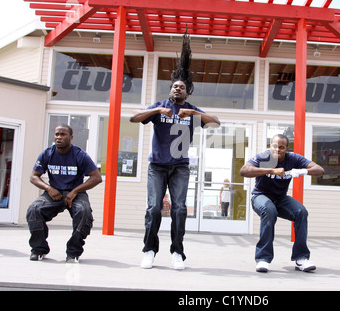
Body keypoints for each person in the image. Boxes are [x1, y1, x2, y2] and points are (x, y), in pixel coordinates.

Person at [130, 30, 220, 270]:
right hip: (157, 166)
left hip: (180, 166)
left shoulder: (191, 110)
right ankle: (149, 250)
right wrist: (156, 112)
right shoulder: (160, 107)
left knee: (179, 208)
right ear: (170, 90)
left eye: (181, 87)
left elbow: (216, 122)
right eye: (174, 86)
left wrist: (196, 114)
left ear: (187, 92)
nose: (177, 89)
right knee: (154, 208)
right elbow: (133, 118)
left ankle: (177, 252)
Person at [239, 134, 325, 273]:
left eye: (281, 147)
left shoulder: (293, 158)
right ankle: (263, 259)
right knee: (269, 210)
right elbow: (244, 171)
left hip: (280, 198)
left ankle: (301, 258)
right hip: (260, 196)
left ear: (286, 149)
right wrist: (271, 170)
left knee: (301, 212)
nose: (277, 150)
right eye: (274, 146)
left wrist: (302, 171)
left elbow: (319, 170)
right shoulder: (263, 157)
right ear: (270, 146)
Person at [26, 124, 102, 263]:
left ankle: (73, 252)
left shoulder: (80, 155)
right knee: (33, 210)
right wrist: (49, 188)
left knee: (84, 212)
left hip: (76, 193)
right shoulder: (47, 153)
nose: (59, 137)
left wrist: (75, 191)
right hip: (54, 192)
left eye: (63, 134)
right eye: (57, 134)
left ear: (71, 137)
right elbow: (33, 176)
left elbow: (96, 177)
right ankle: (38, 249)